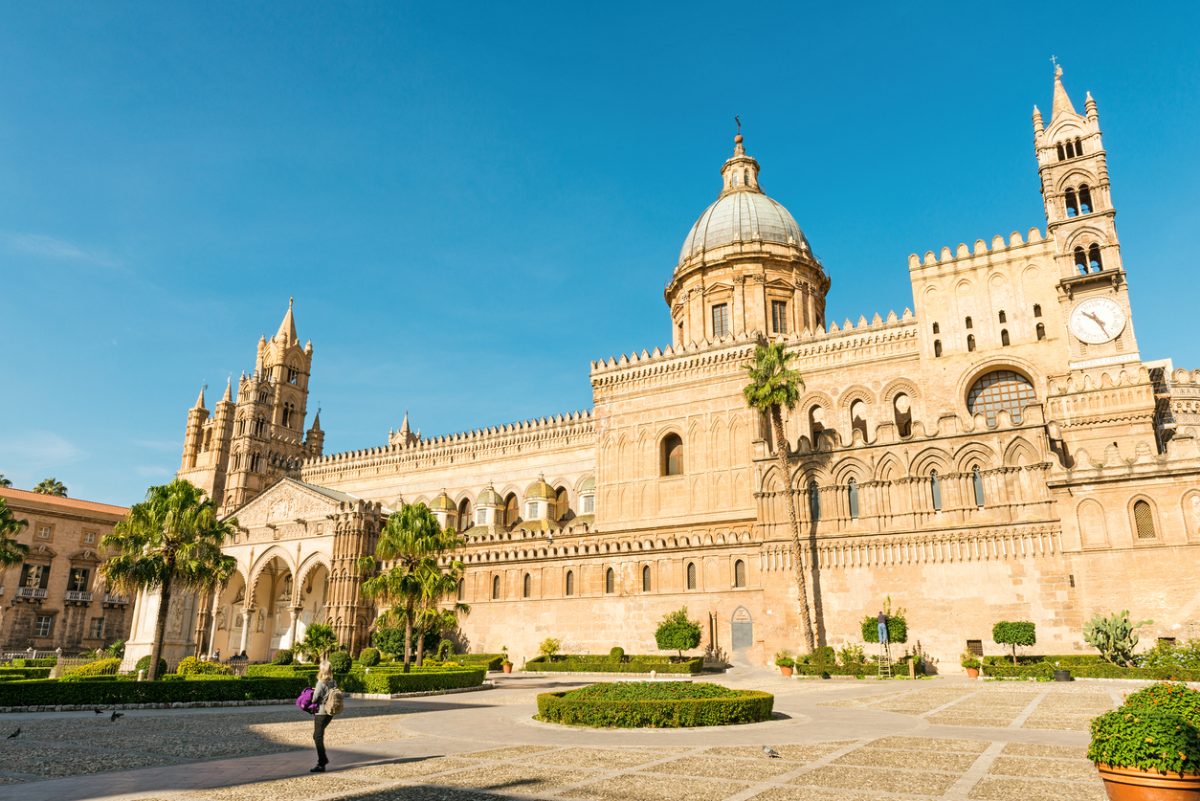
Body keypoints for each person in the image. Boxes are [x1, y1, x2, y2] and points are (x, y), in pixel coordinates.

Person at [310, 660, 337, 772]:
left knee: (317, 736)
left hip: (321, 713)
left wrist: (315, 692)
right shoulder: (333, 682)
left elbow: (314, 699)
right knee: (317, 735)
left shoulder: (320, 683)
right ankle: (322, 760)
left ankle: (322, 762)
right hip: (330, 713)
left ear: (322, 670)